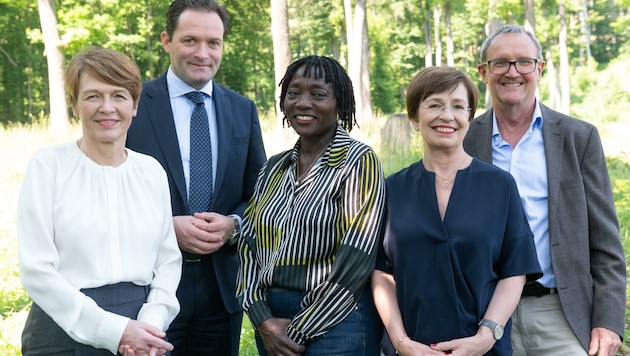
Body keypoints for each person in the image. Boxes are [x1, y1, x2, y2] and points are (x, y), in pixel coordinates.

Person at [463, 24, 626, 356]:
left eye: (524, 61)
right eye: (501, 63)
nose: (513, 72)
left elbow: (605, 240)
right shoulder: (464, 140)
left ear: (540, 68)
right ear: (483, 72)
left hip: (561, 314)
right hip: (482, 316)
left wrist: (608, 321)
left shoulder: (579, 138)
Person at [17, 47, 181, 356]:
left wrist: (150, 325)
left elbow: (168, 262)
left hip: (143, 327)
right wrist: (115, 331)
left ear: (134, 105)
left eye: (119, 96)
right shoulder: (47, 166)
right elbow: (36, 269)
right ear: (74, 105)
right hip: (61, 327)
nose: (107, 108)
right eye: (93, 96)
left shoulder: (151, 172)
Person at [125, 0, 266, 354]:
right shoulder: (131, 105)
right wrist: (165, 227)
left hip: (221, 290)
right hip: (147, 289)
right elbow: (109, 192)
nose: (203, 53)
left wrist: (234, 224)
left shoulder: (242, 109)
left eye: (213, 42)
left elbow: (260, 194)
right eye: (190, 40)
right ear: (166, 41)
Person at [372, 66, 542, 356]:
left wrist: (486, 336)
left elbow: (515, 270)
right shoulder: (390, 189)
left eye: (458, 106)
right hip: (411, 349)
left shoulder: (499, 186)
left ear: (469, 117)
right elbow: (382, 274)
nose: (447, 116)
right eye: (434, 105)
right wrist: (402, 343)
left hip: (483, 349)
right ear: (414, 118)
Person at [237, 55, 386, 356]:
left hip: (337, 322)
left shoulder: (357, 162)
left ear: (340, 103)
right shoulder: (273, 168)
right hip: (272, 322)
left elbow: (356, 260)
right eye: (294, 93)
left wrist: (298, 329)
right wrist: (261, 319)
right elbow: (248, 246)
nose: (303, 103)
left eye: (318, 94)